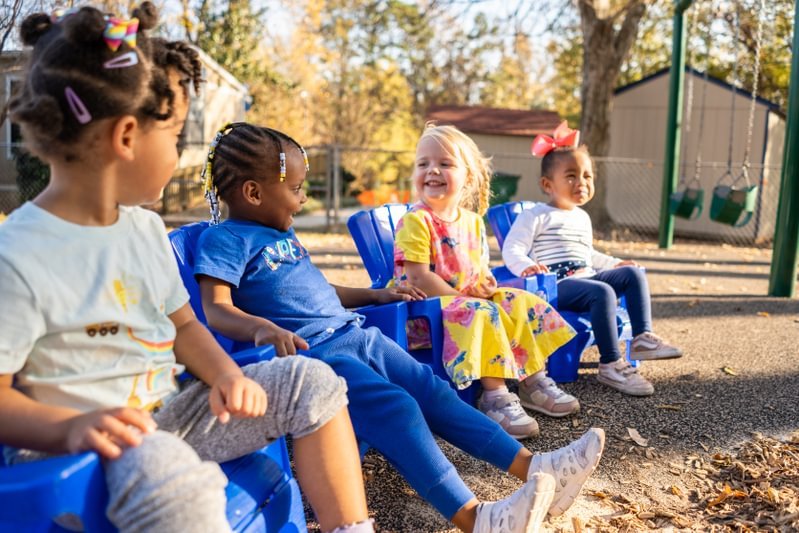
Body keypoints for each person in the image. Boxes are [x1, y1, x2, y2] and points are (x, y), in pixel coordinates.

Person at [0, 6, 374, 533]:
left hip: (171, 412)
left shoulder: (142, 231)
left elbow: (183, 327)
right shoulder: (19, 255)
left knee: (311, 382)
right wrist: (71, 429)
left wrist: (224, 374)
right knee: (180, 476)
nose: (179, 154)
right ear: (127, 136)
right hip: (80, 454)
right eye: (175, 136)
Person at [194, 121, 606, 533]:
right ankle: (476, 518)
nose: (302, 200)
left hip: (356, 335)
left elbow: (320, 290)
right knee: (399, 408)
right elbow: (216, 309)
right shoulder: (226, 240)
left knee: (432, 390)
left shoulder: (281, 234)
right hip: (315, 356)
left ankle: (534, 466)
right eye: (297, 189)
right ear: (253, 193)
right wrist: (260, 329)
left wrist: (374, 295)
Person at [392, 124, 581, 440]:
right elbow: (418, 277)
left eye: (445, 164)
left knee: (520, 301)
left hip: (463, 303)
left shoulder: (472, 223)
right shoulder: (416, 221)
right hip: (423, 313)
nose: (432, 171)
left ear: (467, 177)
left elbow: (477, 270)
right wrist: (466, 298)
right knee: (483, 311)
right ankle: (494, 397)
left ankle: (533, 381)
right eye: (423, 163)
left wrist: (486, 284)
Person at [501, 122, 683, 396]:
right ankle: (611, 364)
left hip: (586, 277)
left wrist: (614, 264)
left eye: (587, 176)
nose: (582, 182)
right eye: (571, 176)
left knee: (633, 274)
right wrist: (527, 267)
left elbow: (587, 255)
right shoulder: (536, 216)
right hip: (554, 286)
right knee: (602, 292)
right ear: (547, 184)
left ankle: (643, 339)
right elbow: (512, 249)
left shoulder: (581, 217)